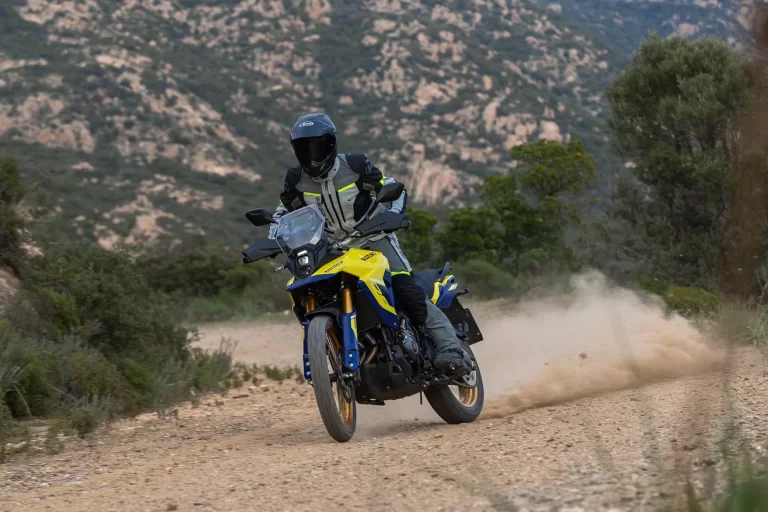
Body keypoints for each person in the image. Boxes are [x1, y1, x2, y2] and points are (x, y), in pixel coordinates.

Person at [268, 112, 471, 374]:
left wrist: (393, 215)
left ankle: (450, 349)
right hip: (331, 248)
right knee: (316, 292)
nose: (312, 153)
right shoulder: (296, 179)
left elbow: (391, 186)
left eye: (317, 145)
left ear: (331, 143)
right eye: (304, 147)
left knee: (405, 289)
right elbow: (283, 211)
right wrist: (273, 237)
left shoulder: (355, 165)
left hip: (374, 238)